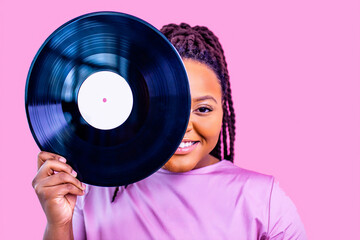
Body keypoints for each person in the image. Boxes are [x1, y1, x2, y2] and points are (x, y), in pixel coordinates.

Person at [32, 23, 307, 240]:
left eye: (203, 109)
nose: (182, 126)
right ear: (139, 105)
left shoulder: (263, 200)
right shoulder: (91, 190)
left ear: (224, 111)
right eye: (166, 108)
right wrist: (58, 223)